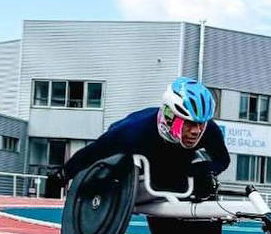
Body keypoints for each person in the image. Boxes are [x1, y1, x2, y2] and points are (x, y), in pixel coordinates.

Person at [48, 77, 229, 199]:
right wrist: (62, 176)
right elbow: (91, 153)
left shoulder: (208, 130)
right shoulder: (132, 132)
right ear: (170, 116)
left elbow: (222, 161)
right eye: (189, 124)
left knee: (204, 180)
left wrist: (202, 170)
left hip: (174, 160)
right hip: (137, 147)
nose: (196, 131)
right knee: (106, 171)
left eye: (201, 124)